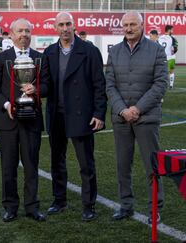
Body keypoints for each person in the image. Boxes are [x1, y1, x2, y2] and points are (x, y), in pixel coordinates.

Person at [40, 11, 107, 221]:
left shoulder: (89, 51)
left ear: (74, 25)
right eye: (61, 24)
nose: (65, 28)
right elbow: (45, 84)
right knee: (56, 161)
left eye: (68, 24)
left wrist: (99, 113)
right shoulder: (49, 52)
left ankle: (89, 204)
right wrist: (31, 90)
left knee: (86, 163)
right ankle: (59, 200)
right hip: (56, 114)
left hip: (82, 115)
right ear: (55, 28)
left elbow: (99, 84)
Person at [105, 11, 168, 224]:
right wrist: (123, 110)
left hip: (146, 117)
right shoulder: (114, 52)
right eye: (126, 25)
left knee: (152, 165)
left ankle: (155, 209)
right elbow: (110, 84)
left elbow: (161, 84)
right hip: (121, 117)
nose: (129, 28)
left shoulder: (157, 51)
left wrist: (137, 109)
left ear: (142, 25)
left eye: (133, 24)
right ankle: (126, 206)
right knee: (123, 164)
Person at [0, 18, 46, 222]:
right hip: (7, 121)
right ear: (11, 34)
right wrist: (6, 105)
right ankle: (10, 207)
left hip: (32, 120)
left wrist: (36, 90)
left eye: (27, 31)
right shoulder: (0, 58)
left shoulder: (40, 57)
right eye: (20, 31)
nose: (24, 34)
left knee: (31, 165)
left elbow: (48, 85)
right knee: (8, 166)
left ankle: (32, 206)